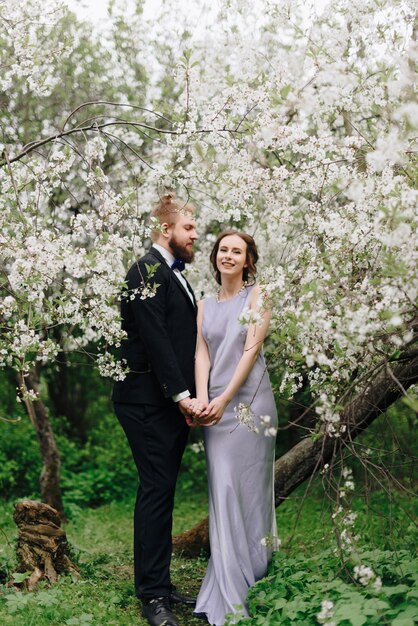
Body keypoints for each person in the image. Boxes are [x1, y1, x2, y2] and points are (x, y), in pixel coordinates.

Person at [112, 193, 204, 626]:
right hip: (146, 400)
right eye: (188, 227)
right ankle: (152, 597)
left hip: (163, 400)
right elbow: (155, 339)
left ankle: (160, 585)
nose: (195, 234)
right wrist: (181, 395)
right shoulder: (146, 269)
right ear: (166, 229)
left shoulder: (173, 274)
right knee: (155, 491)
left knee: (161, 492)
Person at [191, 230, 278, 626]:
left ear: (247, 260)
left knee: (248, 489)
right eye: (223, 250)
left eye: (236, 251)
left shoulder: (257, 296)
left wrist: (225, 398)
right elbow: (202, 353)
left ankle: (255, 571)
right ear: (215, 258)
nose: (228, 255)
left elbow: (250, 349)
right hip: (214, 409)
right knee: (222, 487)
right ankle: (228, 581)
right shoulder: (204, 304)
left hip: (249, 405)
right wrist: (200, 398)